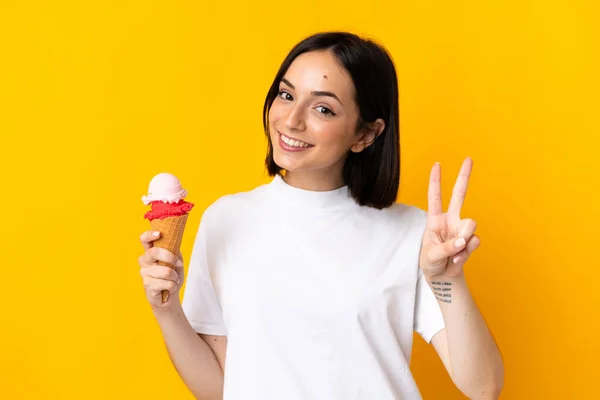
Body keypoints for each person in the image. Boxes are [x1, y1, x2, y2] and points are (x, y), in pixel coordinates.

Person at [137, 31, 504, 400]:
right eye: (286, 94)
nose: (292, 120)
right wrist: (167, 311)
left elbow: (483, 387)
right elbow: (221, 389)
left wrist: (449, 280)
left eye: (323, 108)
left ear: (367, 134)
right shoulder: (226, 220)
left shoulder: (413, 234)